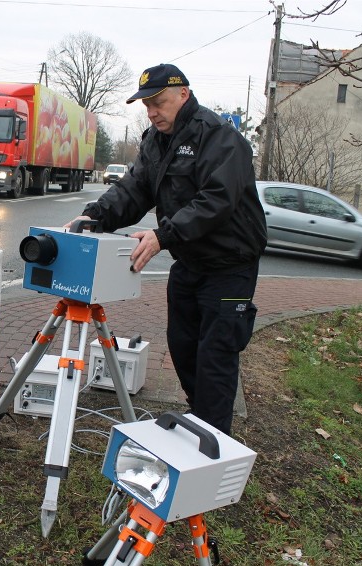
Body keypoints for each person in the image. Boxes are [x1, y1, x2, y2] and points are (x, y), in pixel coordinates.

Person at [68, 63, 267, 435]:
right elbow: (134, 190)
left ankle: (213, 446)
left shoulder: (220, 138)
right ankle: (201, 424)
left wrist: (163, 236)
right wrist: (91, 217)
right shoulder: (155, 141)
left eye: (158, 102)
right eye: (146, 105)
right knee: (183, 348)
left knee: (215, 359)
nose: (152, 111)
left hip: (229, 268)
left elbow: (216, 200)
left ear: (183, 94)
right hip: (188, 263)